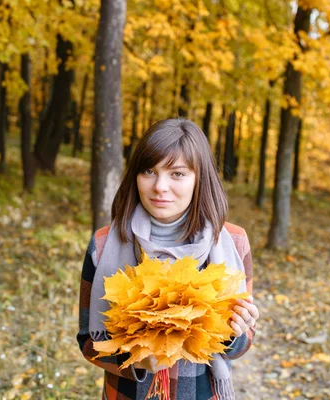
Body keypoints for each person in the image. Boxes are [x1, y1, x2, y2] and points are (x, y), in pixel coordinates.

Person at [77, 118, 259, 400]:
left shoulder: (233, 243)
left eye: (177, 174)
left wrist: (236, 332)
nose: (160, 186)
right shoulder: (103, 245)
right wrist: (134, 361)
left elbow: (243, 343)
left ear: (199, 178)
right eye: (149, 171)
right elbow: (88, 343)